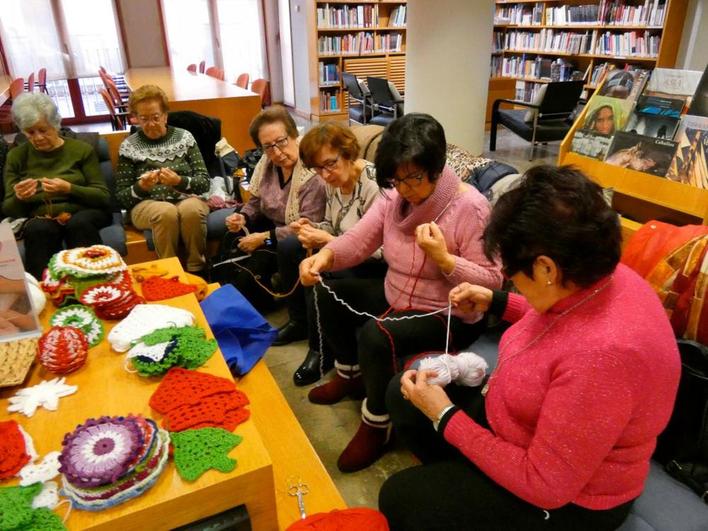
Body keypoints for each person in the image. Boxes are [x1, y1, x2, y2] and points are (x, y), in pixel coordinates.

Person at [379, 165, 681, 531]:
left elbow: (546, 483)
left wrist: (447, 418)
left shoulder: (603, 359)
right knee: (403, 392)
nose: (513, 281)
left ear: (546, 268)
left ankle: (467, 485)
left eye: (513, 274)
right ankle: (464, 477)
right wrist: (498, 301)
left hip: (569, 498)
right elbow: (565, 319)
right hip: (518, 425)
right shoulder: (602, 273)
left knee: (400, 498)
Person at [299, 113, 502, 472]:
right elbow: (360, 240)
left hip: (447, 313)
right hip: (398, 296)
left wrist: (444, 259)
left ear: (437, 168)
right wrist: (325, 257)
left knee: (377, 336)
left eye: (414, 178)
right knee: (325, 290)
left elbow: (492, 282)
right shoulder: (392, 197)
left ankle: (377, 424)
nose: (404, 188)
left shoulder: (471, 208)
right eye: (396, 178)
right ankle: (349, 375)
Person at [278, 121, 385, 386]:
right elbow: (333, 224)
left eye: (330, 164)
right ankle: (299, 322)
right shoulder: (331, 181)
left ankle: (320, 351)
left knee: (318, 269)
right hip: (345, 251)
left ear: (349, 153)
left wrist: (327, 240)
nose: (324, 174)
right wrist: (311, 226)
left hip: (374, 264)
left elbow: (382, 249)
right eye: (317, 168)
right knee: (291, 245)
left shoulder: (374, 186)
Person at [220, 106, 325, 314]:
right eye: (268, 147)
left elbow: (306, 227)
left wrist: (263, 239)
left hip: (288, 239)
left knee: (246, 281)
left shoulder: (312, 175)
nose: (277, 153)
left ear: (295, 134)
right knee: (230, 236)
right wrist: (242, 216)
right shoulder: (267, 163)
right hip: (268, 228)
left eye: (282, 142)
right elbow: (256, 200)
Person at [2, 93, 111, 278]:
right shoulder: (16, 156)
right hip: (42, 216)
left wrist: (69, 188)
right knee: (38, 229)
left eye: (43, 130)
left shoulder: (81, 150)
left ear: (56, 124)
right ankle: (45, 290)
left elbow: (103, 196)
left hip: (84, 211)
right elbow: (8, 209)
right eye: (30, 132)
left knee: (79, 224)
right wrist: (19, 197)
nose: (37, 138)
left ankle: (94, 283)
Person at [115, 84, 210, 275]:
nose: (150, 124)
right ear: (136, 119)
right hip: (146, 204)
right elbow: (122, 197)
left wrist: (179, 181)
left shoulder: (185, 138)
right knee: (165, 212)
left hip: (187, 197)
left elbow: (204, 182)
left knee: (190, 210)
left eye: (156, 117)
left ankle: (197, 269)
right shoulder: (129, 146)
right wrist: (141, 186)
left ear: (165, 116)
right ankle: (170, 271)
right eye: (144, 119)